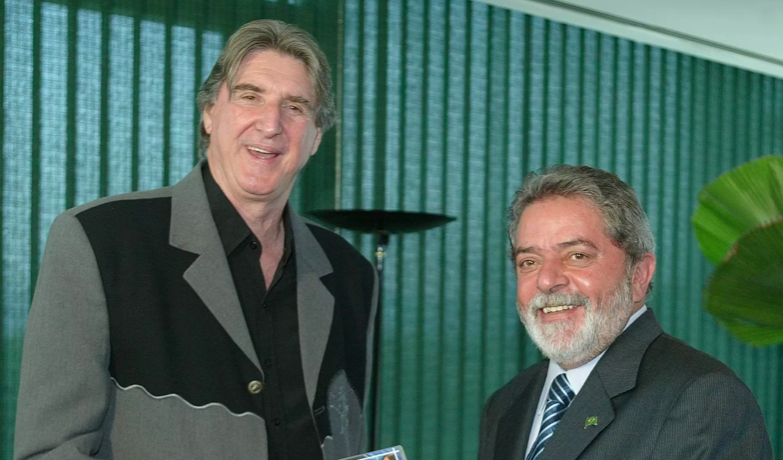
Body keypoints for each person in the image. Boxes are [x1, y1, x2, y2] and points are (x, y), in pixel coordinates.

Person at [15, 19, 377, 460]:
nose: (271, 124)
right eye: (249, 96)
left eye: (296, 107)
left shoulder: (350, 274)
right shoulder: (100, 241)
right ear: (209, 113)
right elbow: (52, 451)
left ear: (317, 136)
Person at [478, 165, 772, 460]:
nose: (546, 280)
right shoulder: (506, 404)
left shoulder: (703, 398)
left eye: (577, 255)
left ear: (638, 275)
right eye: (529, 262)